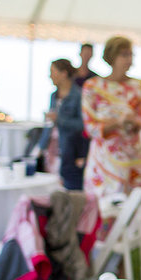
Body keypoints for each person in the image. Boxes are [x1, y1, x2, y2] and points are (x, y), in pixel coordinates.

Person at [81, 36, 141, 205]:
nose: (129, 59)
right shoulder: (93, 87)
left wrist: (131, 122)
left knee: (131, 209)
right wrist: (118, 122)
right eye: (124, 55)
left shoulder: (140, 87)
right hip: (104, 159)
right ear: (112, 57)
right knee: (101, 208)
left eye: (130, 55)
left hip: (131, 156)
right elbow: (91, 128)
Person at [43, 59, 87, 191]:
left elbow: (83, 125)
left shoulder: (78, 95)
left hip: (69, 150)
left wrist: (59, 119)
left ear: (63, 73)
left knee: (68, 186)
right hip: (51, 148)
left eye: (52, 72)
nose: (50, 76)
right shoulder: (54, 95)